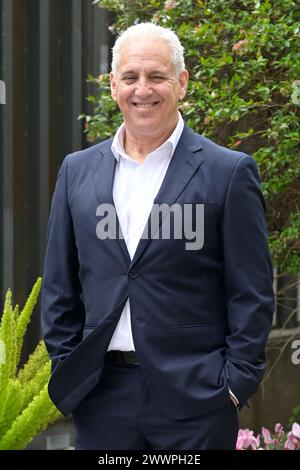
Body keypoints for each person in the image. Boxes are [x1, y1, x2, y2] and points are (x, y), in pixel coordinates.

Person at [41, 23, 275, 450]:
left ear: (181, 83)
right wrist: (65, 364)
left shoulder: (228, 172)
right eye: (130, 77)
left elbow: (252, 292)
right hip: (102, 397)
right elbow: (59, 283)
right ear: (114, 86)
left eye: (157, 76)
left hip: (198, 398)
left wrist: (234, 383)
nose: (142, 89)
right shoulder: (77, 171)